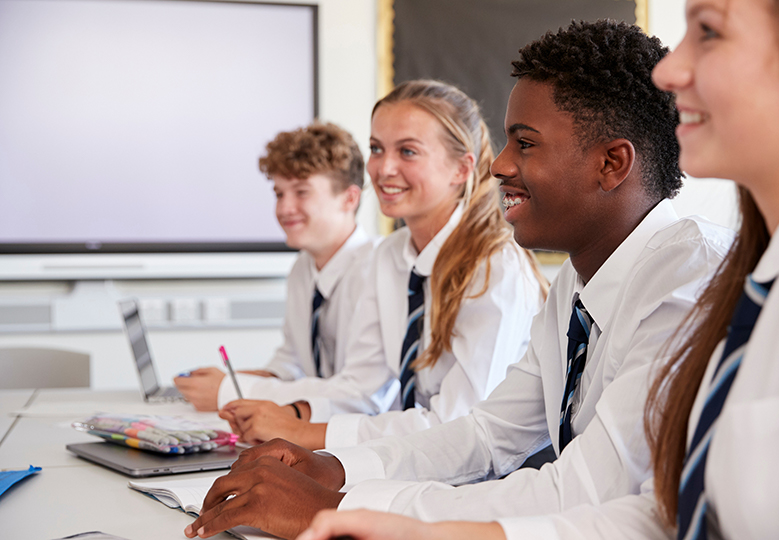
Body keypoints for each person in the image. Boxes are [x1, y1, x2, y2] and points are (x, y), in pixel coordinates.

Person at [298, 0, 779, 538]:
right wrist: (376, 509)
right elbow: (665, 512)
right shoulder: (763, 270)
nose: (672, 72)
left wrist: (369, 504)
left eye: (708, 32)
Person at [184, 20, 734, 540]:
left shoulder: (688, 281)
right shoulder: (579, 279)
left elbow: (585, 491)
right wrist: (334, 468)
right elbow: (487, 433)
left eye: (526, 142)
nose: (499, 166)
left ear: (612, 163)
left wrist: (341, 508)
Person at [216, 79, 548, 450]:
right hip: (413, 461)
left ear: (461, 169)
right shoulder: (389, 256)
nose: (384, 168)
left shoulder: (494, 269)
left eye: (407, 151)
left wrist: (302, 432)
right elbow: (362, 389)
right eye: (376, 148)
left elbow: (458, 426)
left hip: (487, 477)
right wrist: (287, 415)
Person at [173, 122, 377, 412]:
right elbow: (293, 362)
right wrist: (233, 381)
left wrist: (235, 390)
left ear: (349, 198)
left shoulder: (376, 271)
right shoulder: (302, 269)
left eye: (301, 192)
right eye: (279, 194)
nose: (284, 208)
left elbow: (356, 393)